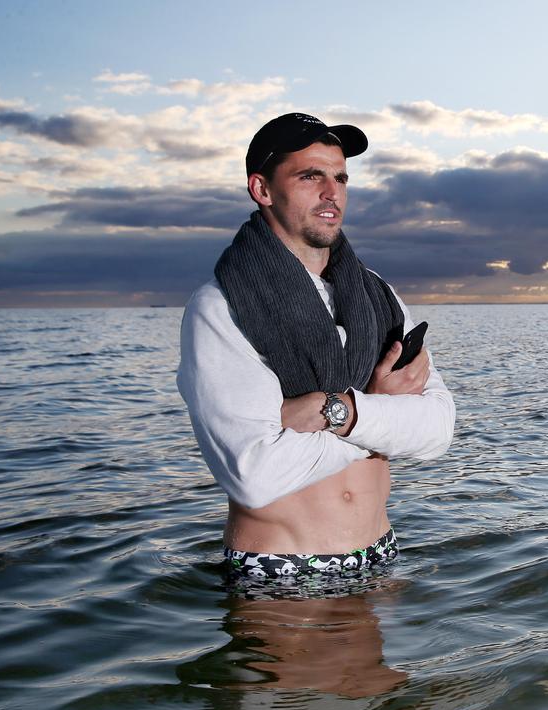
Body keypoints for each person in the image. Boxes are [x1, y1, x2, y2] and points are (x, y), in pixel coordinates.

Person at [177, 112, 455, 585]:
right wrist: (383, 412)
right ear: (262, 190)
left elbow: (439, 430)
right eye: (311, 177)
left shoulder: (376, 295)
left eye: (340, 177)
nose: (333, 193)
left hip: (380, 553)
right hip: (284, 569)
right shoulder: (221, 307)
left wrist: (339, 412)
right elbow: (256, 474)